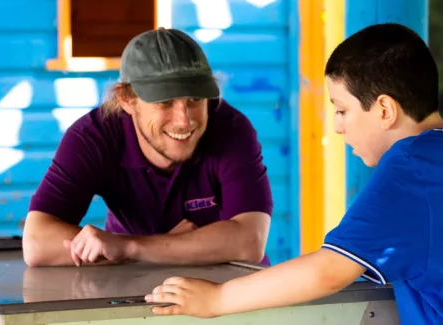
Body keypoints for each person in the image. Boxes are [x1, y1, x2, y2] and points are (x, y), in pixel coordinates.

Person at [145, 23, 443, 325]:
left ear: (384, 110)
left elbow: (329, 270)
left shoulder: (409, 169)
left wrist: (216, 299)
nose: (338, 127)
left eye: (341, 110)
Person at [22, 27, 273, 267]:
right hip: (133, 285)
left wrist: (130, 248)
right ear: (127, 100)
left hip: (232, 286)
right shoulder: (93, 136)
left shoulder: (232, 128)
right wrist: (157, 251)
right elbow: (37, 243)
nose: (184, 120)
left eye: (195, 99)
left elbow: (250, 241)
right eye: (164, 102)